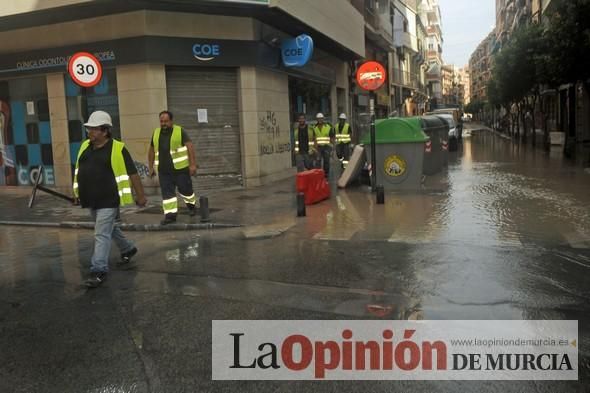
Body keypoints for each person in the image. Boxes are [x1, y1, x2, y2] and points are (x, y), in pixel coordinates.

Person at [73, 111, 147, 288]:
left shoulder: (118, 148)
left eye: (93, 129)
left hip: (109, 199)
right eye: (88, 129)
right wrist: (77, 193)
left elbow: (133, 173)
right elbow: (78, 171)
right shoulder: (85, 146)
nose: (89, 132)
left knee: (101, 232)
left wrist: (141, 195)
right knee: (109, 228)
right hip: (91, 198)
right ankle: (128, 248)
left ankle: (98, 270)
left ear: (105, 131)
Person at [148, 111, 198, 225]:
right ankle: (170, 216)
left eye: (166, 121)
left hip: (181, 170)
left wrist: (193, 164)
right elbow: (151, 150)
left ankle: (191, 205)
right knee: (167, 194)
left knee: (185, 190)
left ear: (171, 121)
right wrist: (150, 167)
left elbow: (190, 146)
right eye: (161, 121)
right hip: (164, 171)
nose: (163, 123)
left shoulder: (179, 131)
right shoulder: (156, 133)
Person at [313, 113, 334, 178]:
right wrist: (315, 147)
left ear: (323, 119)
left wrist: (332, 147)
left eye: (321, 118)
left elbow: (332, 137)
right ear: (317, 119)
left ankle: (326, 174)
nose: (320, 120)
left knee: (326, 160)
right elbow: (314, 138)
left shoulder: (328, 127)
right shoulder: (314, 127)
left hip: (327, 146)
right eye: (318, 119)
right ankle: (318, 174)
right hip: (319, 147)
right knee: (318, 161)